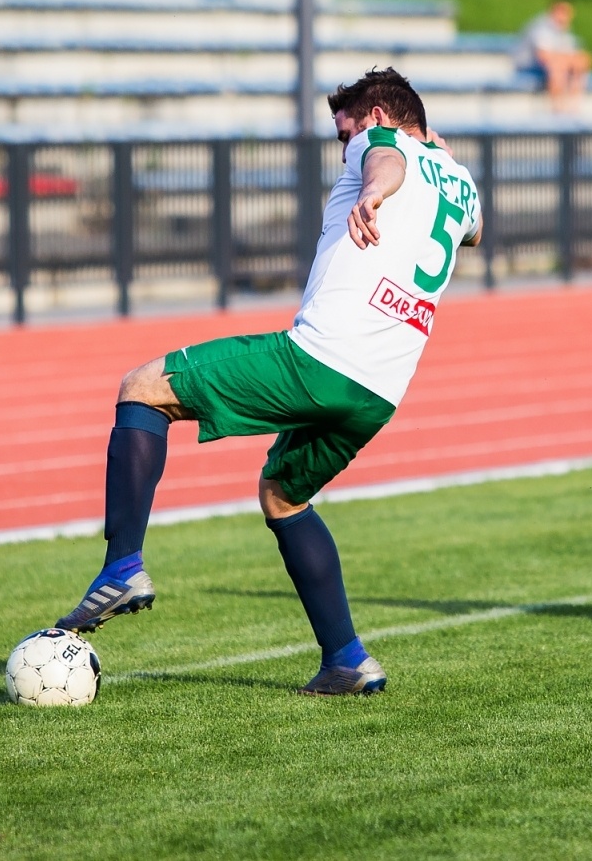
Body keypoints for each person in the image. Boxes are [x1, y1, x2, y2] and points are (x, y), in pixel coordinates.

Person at [54, 68, 482, 695]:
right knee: (283, 496)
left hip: (319, 359)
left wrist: (375, 192)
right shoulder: (461, 180)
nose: (345, 146)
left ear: (380, 117)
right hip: (379, 392)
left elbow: (384, 161)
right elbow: (470, 232)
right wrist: (436, 159)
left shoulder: (378, 145)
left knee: (143, 386)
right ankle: (347, 660)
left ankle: (122, 565)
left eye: (347, 131)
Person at [515, 0, 592, 112]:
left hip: (543, 65)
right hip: (526, 66)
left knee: (579, 64)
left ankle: (573, 108)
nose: (566, 17)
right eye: (564, 12)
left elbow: (574, 55)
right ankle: (558, 109)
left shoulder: (563, 30)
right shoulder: (541, 27)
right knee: (557, 66)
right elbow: (544, 56)